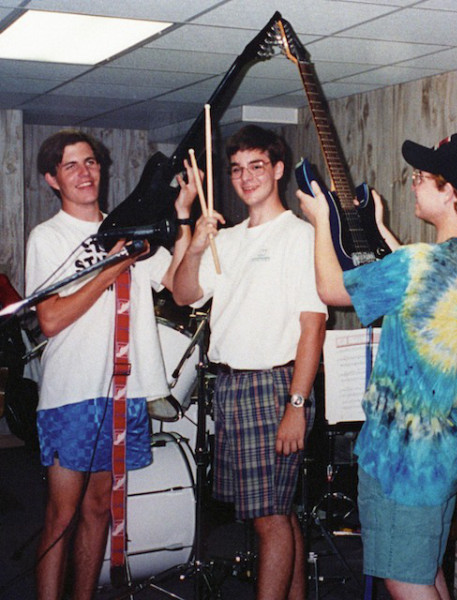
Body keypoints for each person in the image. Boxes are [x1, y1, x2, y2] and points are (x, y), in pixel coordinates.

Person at [298, 133, 457, 600]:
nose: (413, 185)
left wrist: (320, 220)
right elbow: (417, 285)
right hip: (438, 452)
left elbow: (331, 289)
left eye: (421, 178)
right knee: (425, 572)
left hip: (400, 460)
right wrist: (376, 226)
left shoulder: (419, 264)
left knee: (405, 581)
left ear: (449, 192)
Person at [25, 129, 199, 600]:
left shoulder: (130, 227)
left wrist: (182, 217)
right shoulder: (49, 237)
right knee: (61, 515)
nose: (85, 173)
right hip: (73, 393)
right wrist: (114, 266)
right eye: (71, 166)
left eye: (91, 163)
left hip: (125, 391)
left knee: (100, 507)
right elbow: (51, 318)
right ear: (52, 180)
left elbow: (178, 284)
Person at [173, 125, 327, 600]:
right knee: (276, 513)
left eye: (256, 166)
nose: (245, 177)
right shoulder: (229, 238)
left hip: (276, 386)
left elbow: (313, 325)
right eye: (237, 169)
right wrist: (196, 245)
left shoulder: (299, 236)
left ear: (278, 170)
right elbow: (183, 294)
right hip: (232, 387)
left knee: (269, 521)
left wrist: (296, 404)